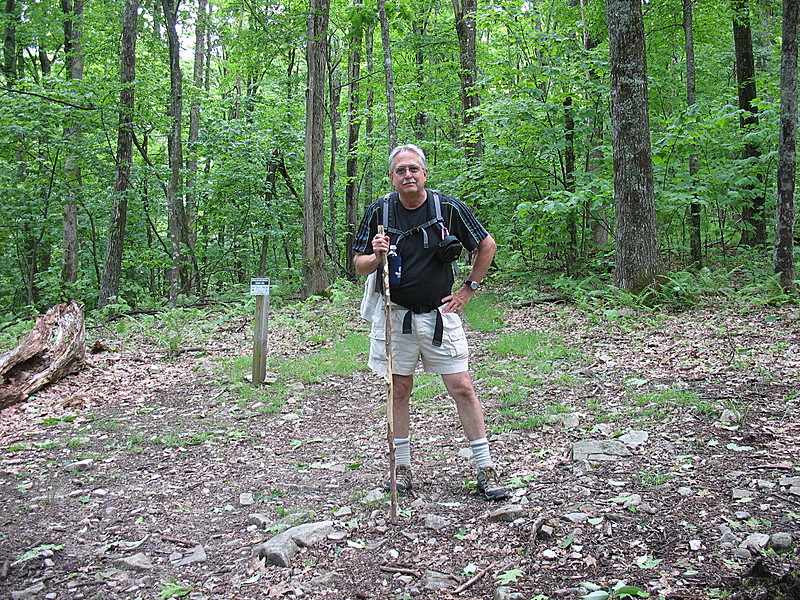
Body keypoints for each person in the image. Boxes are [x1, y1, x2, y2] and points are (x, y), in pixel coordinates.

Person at [352, 143, 508, 501]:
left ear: (424, 174)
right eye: (400, 170)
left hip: (440, 315)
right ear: (392, 177)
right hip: (396, 314)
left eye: (413, 169)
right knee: (399, 390)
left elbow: (486, 245)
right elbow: (358, 265)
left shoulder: (447, 208)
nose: (408, 175)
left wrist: (469, 289)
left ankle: (485, 468)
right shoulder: (381, 211)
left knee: (462, 387)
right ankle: (402, 469)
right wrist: (375, 255)